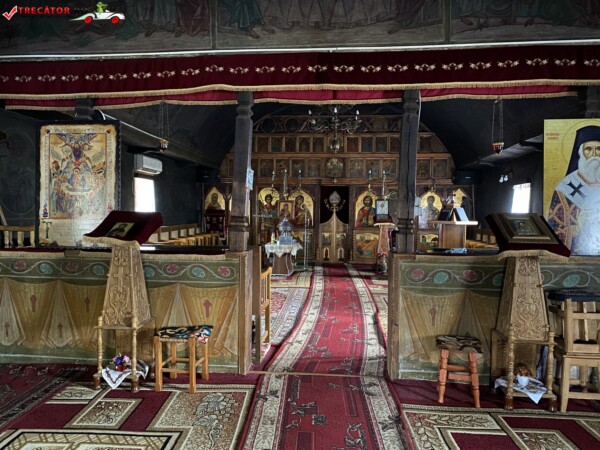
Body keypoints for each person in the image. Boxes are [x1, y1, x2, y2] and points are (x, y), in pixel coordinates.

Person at [547, 125, 600, 255]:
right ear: (581, 153)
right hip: (576, 258)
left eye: (599, 149)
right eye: (588, 149)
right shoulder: (564, 188)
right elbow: (555, 230)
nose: (594, 154)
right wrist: (577, 228)